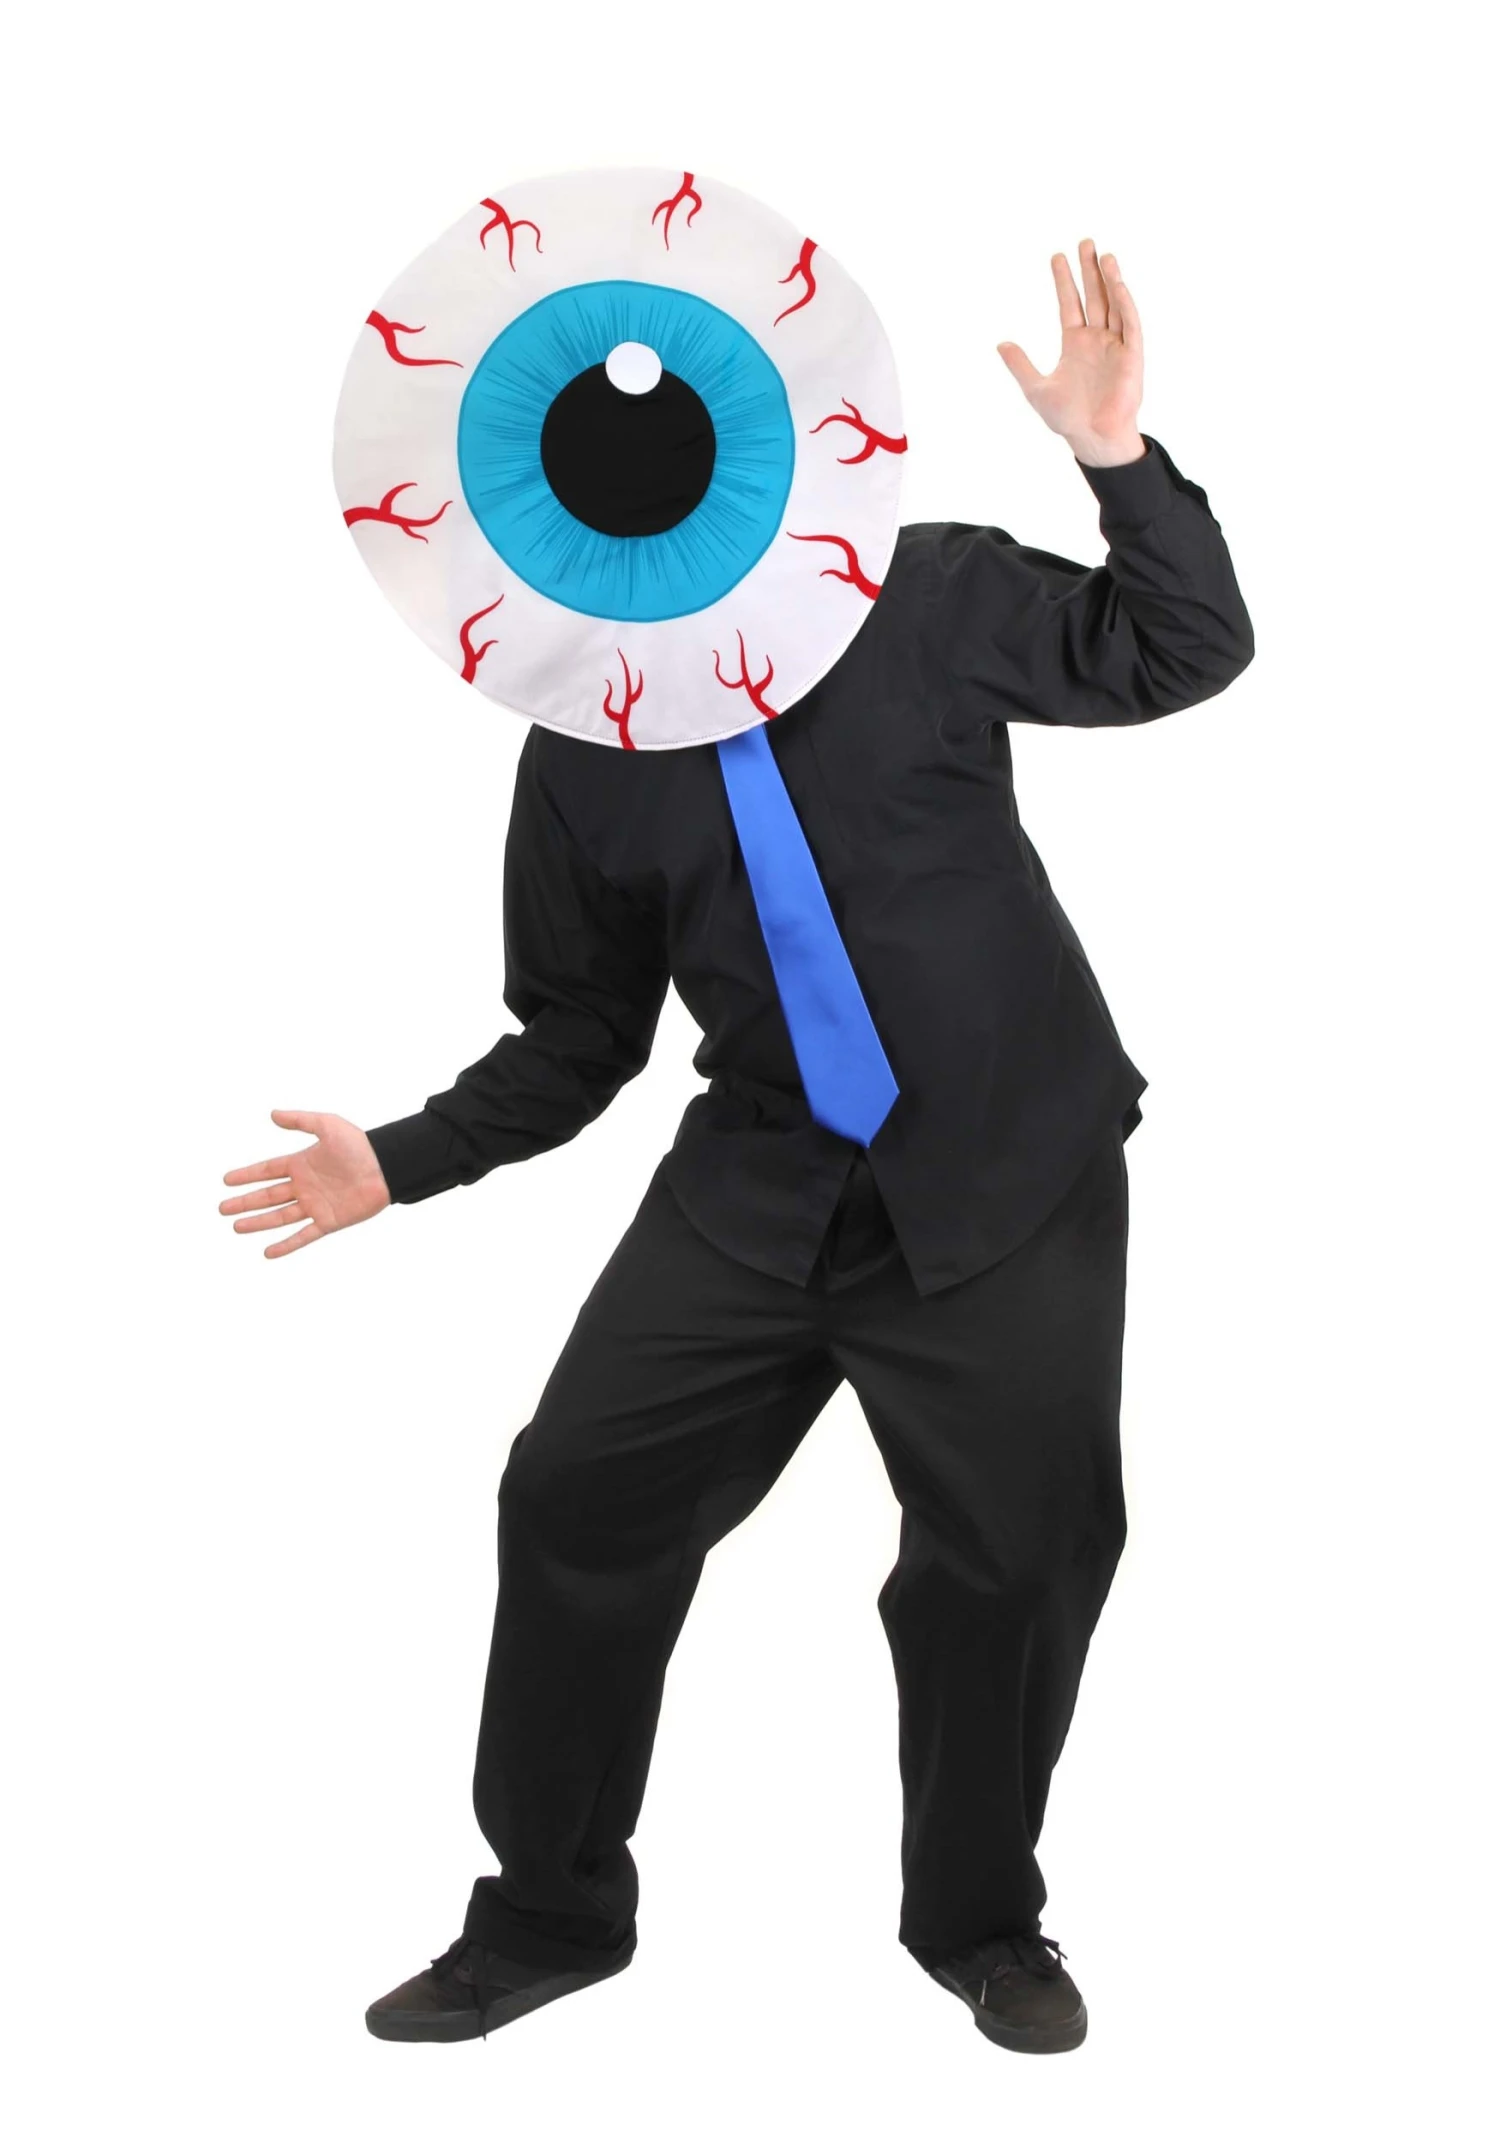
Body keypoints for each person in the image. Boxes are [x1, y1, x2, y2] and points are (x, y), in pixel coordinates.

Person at [221, 240, 1254, 2054]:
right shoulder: (582, 747)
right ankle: (550, 1912)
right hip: (762, 1183)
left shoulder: (919, 594)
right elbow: (578, 1034)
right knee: (571, 1497)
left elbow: (1182, 646)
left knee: (1016, 1560)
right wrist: (401, 1156)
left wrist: (1113, 459)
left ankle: (980, 1920)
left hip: (1006, 1171)